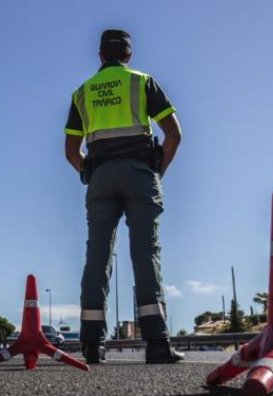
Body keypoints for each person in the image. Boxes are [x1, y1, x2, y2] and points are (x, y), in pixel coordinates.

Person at [64, 29, 184, 364]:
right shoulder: (142, 81)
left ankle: (91, 343)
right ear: (128, 55)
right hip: (138, 173)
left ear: (100, 55)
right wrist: (158, 172)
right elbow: (174, 133)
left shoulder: (82, 92)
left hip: (100, 177)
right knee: (145, 253)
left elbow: (71, 150)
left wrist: (87, 172)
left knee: (97, 256)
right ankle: (157, 343)